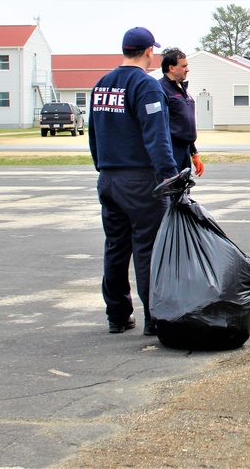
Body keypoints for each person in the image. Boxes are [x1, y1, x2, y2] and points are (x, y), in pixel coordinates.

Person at [88, 27, 179, 336]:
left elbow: (93, 133)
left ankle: (117, 314)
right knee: (147, 248)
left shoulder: (102, 85)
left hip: (109, 177)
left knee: (115, 246)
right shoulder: (146, 86)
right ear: (149, 52)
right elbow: (156, 137)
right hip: (140, 181)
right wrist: (169, 174)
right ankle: (154, 316)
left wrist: (102, 166)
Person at [159, 47, 204, 177]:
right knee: (171, 193)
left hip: (185, 150)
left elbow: (185, 124)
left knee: (183, 194)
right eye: (183, 66)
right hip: (171, 151)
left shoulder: (182, 90)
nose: (187, 69)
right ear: (171, 68)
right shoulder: (161, 89)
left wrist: (194, 152)